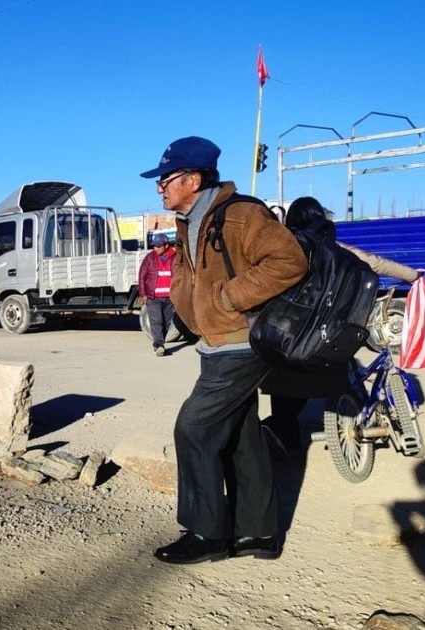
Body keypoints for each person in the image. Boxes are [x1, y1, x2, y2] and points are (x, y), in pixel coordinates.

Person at [140, 136, 308, 564]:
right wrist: (187, 313)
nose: (160, 188)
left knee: (193, 428)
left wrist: (228, 299)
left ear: (193, 179)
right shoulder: (189, 220)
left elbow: (289, 261)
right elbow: (190, 277)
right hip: (216, 343)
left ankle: (206, 532)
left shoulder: (241, 215)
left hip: (241, 342)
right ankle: (259, 534)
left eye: (166, 180)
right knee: (241, 437)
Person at [259, 196, 422, 455]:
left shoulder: (284, 248)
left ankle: (284, 432)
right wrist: (413, 276)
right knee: (336, 372)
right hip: (329, 332)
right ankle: (345, 416)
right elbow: (376, 262)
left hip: (289, 330)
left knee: (286, 380)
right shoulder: (337, 249)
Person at [137, 232, 178, 356]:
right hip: (153, 297)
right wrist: (143, 294)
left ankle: (161, 343)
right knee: (156, 321)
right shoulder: (150, 258)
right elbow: (142, 276)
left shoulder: (175, 256)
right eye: (154, 246)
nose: (155, 248)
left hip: (170, 298)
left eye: (158, 246)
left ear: (166, 245)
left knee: (167, 322)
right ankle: (158, 346)